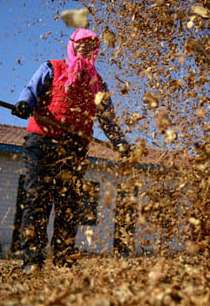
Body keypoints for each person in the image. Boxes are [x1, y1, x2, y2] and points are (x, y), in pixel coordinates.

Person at [11, 28, 129, 272]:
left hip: (74, 148)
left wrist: (119, 141)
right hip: (42, 143)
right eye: (81, 44)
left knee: (69, 204)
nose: (85, 48)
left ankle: (64, 259)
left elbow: (107, 117)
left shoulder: (98, 83)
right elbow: (32, 90)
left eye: (91, 45)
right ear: (72, 45)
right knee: (37, 201)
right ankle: (32, 260)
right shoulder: (52, 67)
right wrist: (24, 104)